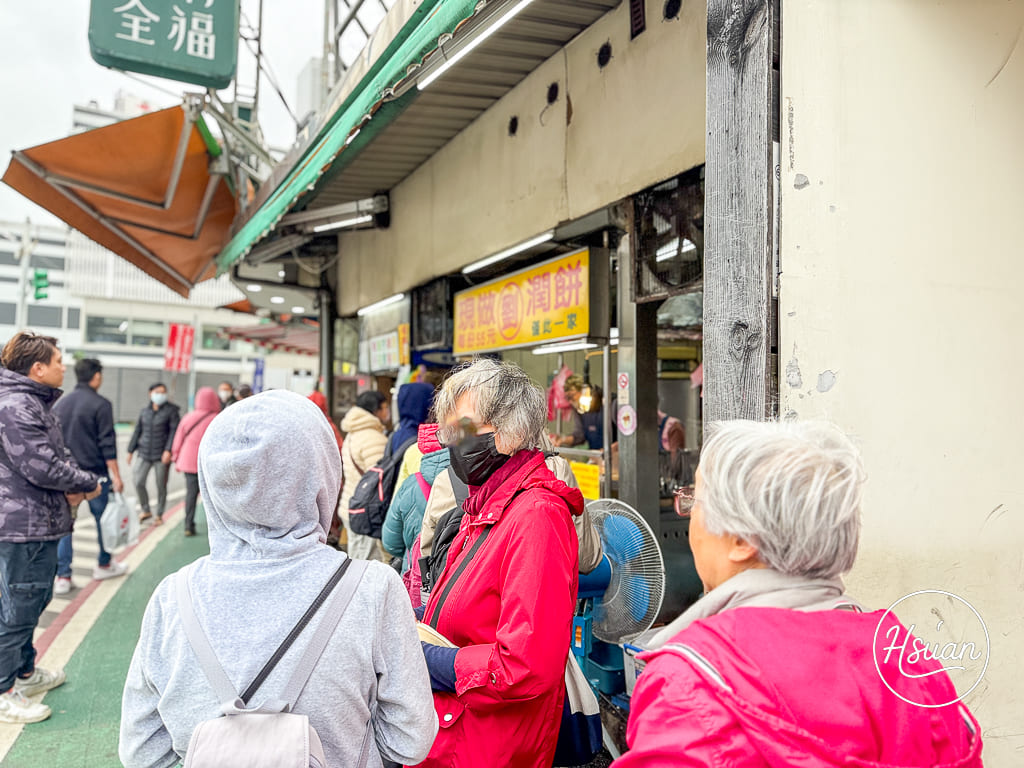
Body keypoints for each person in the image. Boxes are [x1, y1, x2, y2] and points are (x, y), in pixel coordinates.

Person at [614, 420, 983, 767]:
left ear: (743, 540)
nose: (689, 513)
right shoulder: (912, 663)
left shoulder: (690, 682)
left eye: (696, 499)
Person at [119, 391, 437, 767]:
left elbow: (143, 752)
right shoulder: (373, 588)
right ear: (322, 472)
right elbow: (409, 742)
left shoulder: (172, 597)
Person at [416, 359, 584, 768]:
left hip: (489, 748)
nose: (452, 442)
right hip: (456, 734)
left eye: (464, 429)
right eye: (448, 431)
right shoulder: (485, 508)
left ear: (510, 433)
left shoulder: (537, 516)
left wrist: (434, 662)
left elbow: (524, 667)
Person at [0, 332, 103, 724]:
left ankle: (24, 673)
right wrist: (86, 484)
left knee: (31, 603)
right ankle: (4, 688)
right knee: (18, 609)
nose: (64, 366)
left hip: (36, 522)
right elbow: (40, 465)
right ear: (37, 368)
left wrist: (76, 481)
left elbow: (54, 456)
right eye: (58, 360)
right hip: (21, 525)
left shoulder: (32, 401)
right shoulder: (16, 405)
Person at [52, 358, 127, 593]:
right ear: (95, 376)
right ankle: (104, 564)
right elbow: (107, 444)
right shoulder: (101, 404)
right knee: (103, 522)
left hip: (67, 476)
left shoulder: (60, 405)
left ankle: (63, 576)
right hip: (96, 477)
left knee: (66, 527)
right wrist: (116, 475)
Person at [339, 390, 390, 561]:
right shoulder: (373, 438)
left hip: (351, 504)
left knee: (356, 558)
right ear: (376, 410)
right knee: (364, 562)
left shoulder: (353, 434)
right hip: (365, 512)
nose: (387, 412)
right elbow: (378, 482)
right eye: (385, 407)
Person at [127, 383, 180, 526]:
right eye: (158, 392)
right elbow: (138, 431)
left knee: (160, 485)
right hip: (144, 453)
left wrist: (168, 450)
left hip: (161, 455)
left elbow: (174, 432)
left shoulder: (172, 411)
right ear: (150, 393)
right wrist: (130, 451)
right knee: (138, 480)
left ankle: (159, 514)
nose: (160, 395)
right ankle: (146, 509)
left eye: (163, 392)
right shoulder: (145, 411)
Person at [170, 387, 220, 537]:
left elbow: (178, 438)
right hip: (209, 463)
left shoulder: (188, 417)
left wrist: (175, 456)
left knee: (191, 495)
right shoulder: (217, 418)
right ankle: (217, 529)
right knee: (213, 498)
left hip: (189, 462)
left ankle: (188, 525)